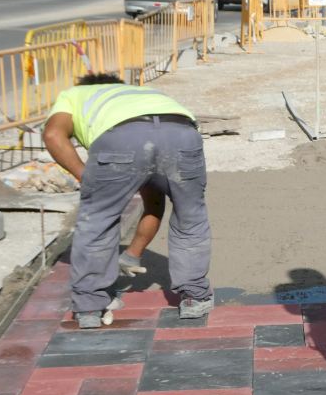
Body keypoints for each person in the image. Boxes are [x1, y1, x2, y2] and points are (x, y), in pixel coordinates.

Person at [43, 72, 214, 329]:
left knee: (98, 221)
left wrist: (85, 176)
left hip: (121, 139)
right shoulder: (143, 93)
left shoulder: (74, 94)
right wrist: (133, 254)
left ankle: (90, 307)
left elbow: (53, 135)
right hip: (181, 135)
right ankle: (195, 298)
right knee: (191, 216)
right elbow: (154, 202)